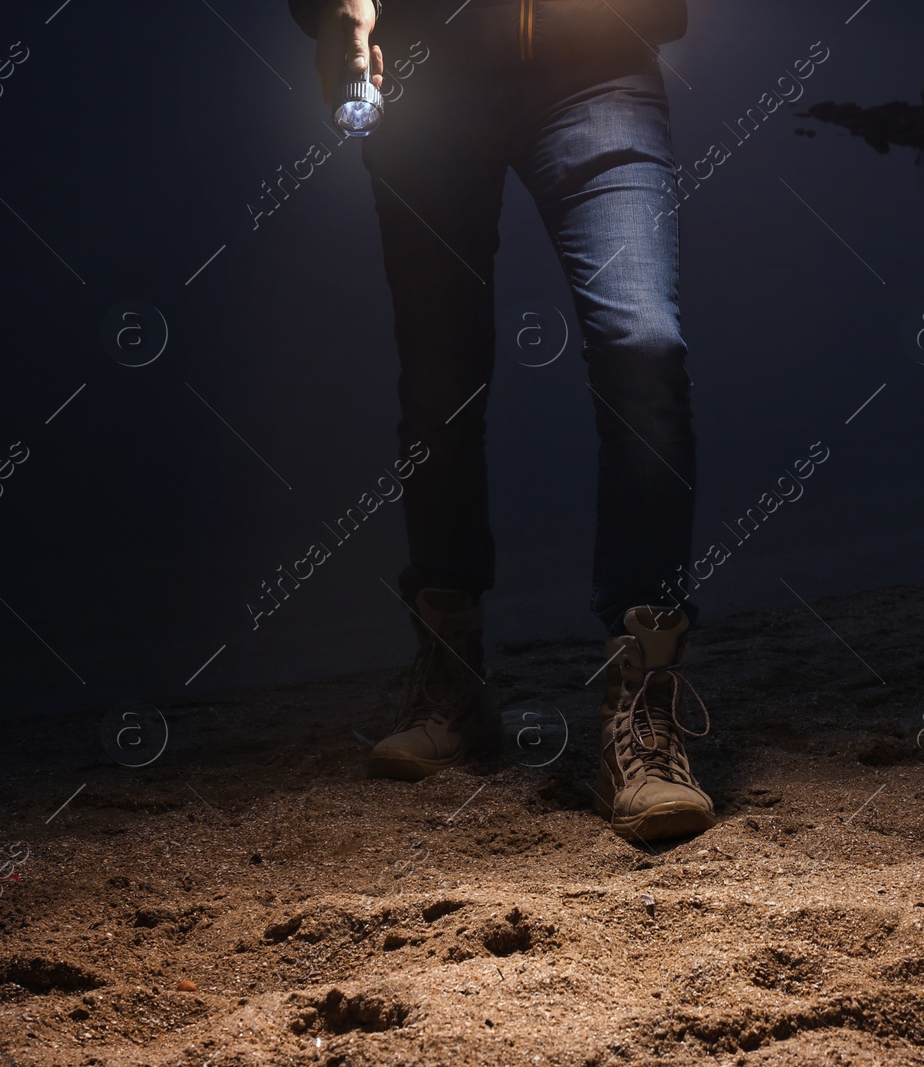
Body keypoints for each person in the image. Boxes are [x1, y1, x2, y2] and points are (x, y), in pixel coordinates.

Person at [287, 0, 714, 842]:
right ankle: (449, 672)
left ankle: (645, 705)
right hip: (425, 76)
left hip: (599, 73)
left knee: (645, 346)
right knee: (438, 380)